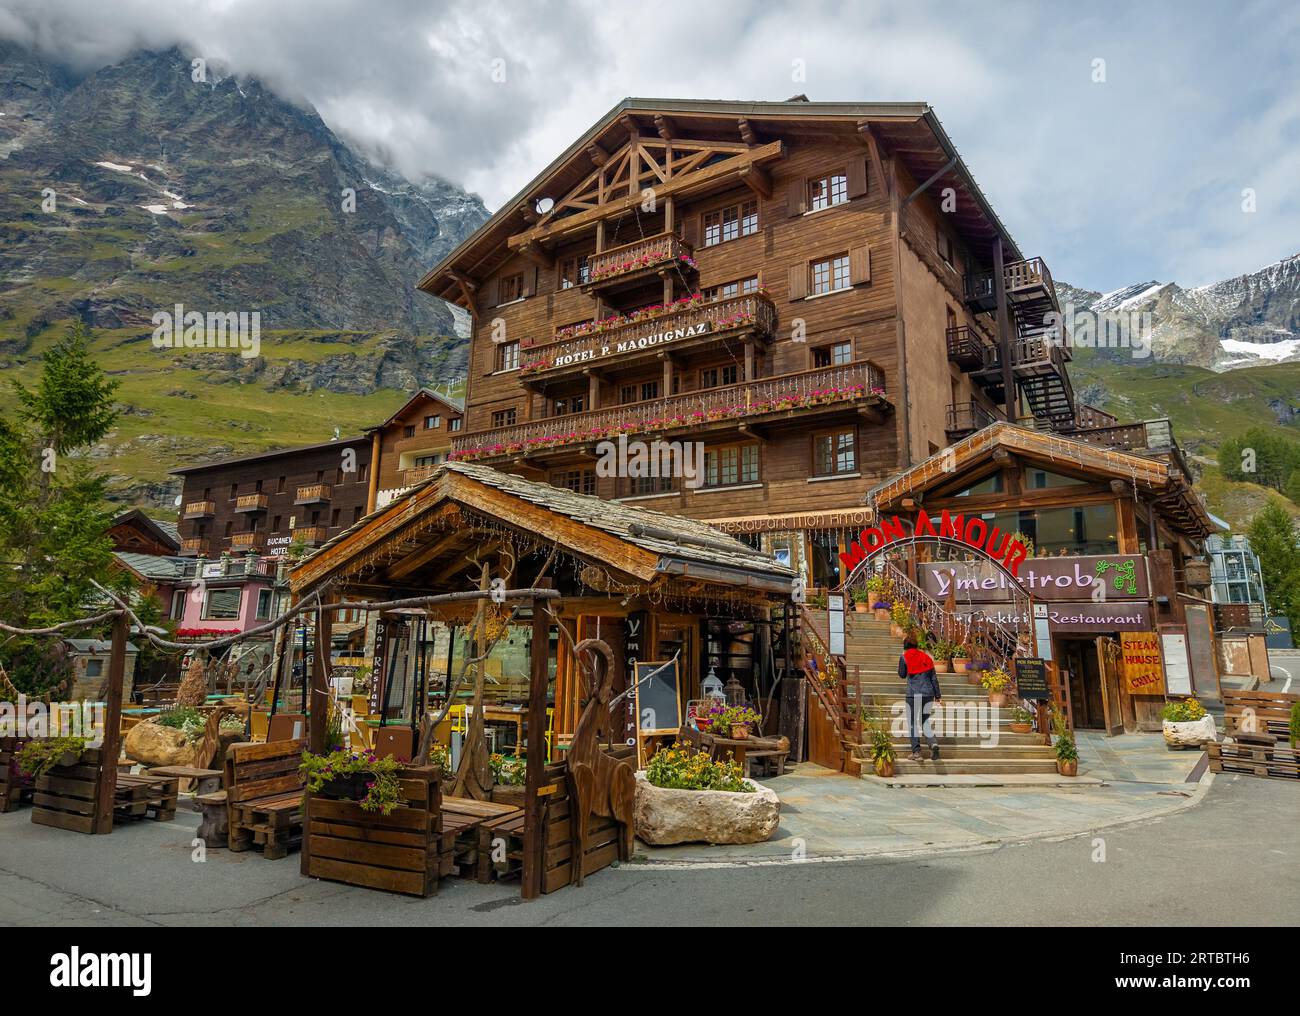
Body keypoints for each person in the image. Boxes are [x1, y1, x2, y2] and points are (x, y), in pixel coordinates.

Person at [897, 636, 943, 761]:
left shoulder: (905, 657)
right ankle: (933, 743)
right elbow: (934, 678)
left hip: (913, 694)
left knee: (912, 723)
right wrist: (938, 695)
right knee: (924, 721)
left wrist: (902, 660)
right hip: (928, 694)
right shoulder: (927, 658)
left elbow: (901, 674)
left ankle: (917, 752)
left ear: (905, 646)